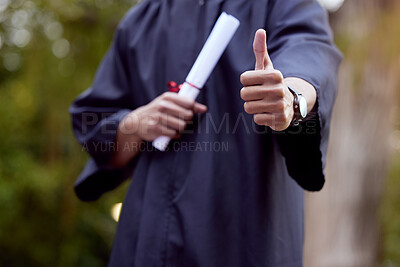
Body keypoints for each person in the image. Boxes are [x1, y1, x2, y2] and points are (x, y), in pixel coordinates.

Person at [69, 0, 341, 266]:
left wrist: (290, 98)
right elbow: (97, 130)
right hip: (146, 237)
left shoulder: (280, 4)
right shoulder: (142, 18)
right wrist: (136, 123)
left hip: (242, 232)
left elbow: (308, 54)